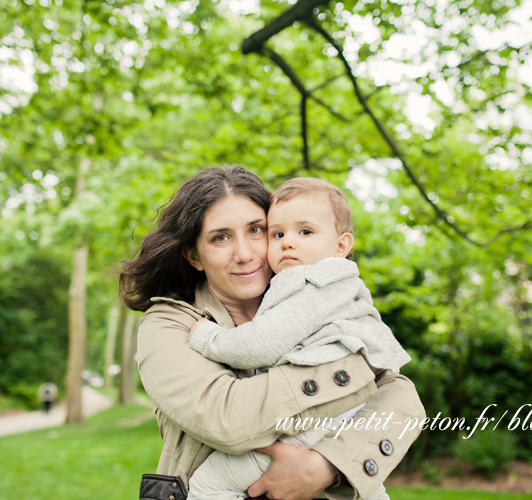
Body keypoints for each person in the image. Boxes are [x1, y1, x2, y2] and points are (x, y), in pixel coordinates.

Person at [120, 166, 425, 500]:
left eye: (256, 230)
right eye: (220, 237)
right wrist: (353, 372)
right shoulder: (171, 324)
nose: (245, 253)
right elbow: (228, 420)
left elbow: (403, 399)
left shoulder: (309, 296)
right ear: (194, 255)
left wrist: (328, 465)